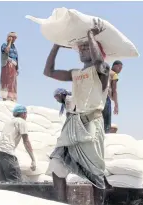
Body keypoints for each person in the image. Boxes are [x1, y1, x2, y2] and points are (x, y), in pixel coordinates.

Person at [43, 19, 112, 205]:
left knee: (95, 174)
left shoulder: (104, 70)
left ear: (96, 49)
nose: (82, 50)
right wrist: (56, 44)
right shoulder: (75, 73)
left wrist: (91, 35)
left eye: (86, 47)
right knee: (57, 164)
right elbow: (48, 72)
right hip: (73, 125)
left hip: (90, 127)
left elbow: (98, 62)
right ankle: (60, 202)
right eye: (80, 48)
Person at [0, 104, 36, 182]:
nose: (26, 116)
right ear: (23, 114)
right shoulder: (21, 121)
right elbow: (26, 141)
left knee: (4, 184)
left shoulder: (9, 122)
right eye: (26, 114)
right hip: (7, 153)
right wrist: (33, 160)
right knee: (16, 183)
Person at [103, 60, 122, 133]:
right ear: (115, 66)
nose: (120, 70)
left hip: (98, 97)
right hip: (106, 98)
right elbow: (114, 90)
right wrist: (116, 105)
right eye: (119, 68)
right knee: (107, 124)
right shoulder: (114, 74)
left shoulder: (105, 72)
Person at [0, 32, 19, 102]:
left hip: (14, 65)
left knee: (13, 82)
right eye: (13, 38)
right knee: (6, 80)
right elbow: (7, 50)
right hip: (8, 64)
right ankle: (5, 97)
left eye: (15, 38)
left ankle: (12, 97)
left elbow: (17, 57)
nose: (14, 39)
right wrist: (9, 42)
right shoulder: (4, 45)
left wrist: (17, 68)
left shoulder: (14, 47)